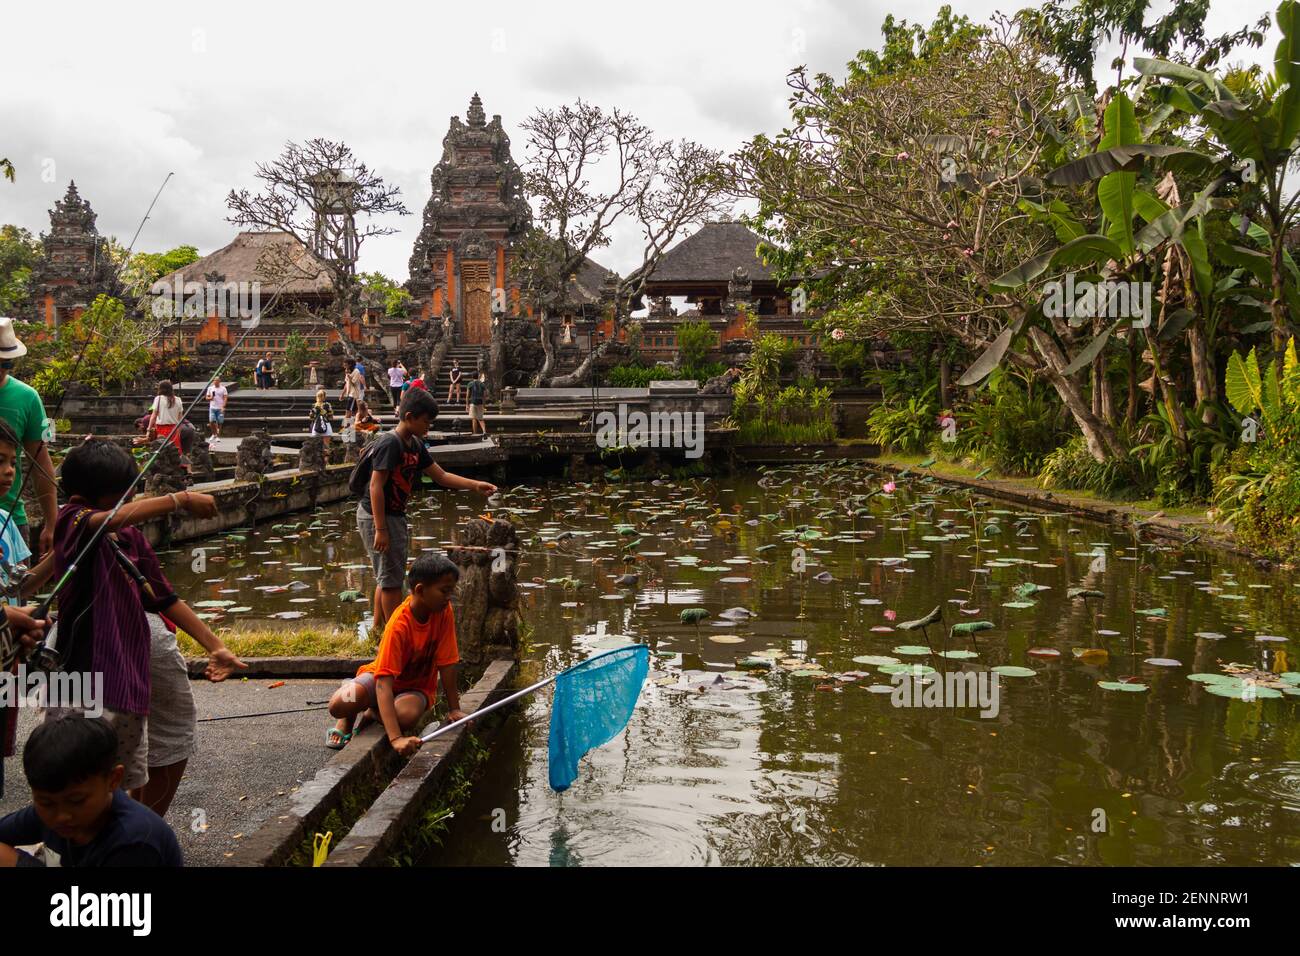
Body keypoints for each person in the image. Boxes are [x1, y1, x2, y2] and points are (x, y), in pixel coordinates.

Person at [48, 439, 245, 792]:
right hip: (82, 673)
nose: (128, 499)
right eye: (122, 492)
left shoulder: (130, 538)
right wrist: (179, 499)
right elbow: (107, 519)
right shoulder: (72, 520)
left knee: (125, 774)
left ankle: (132, 839)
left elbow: (165, 598)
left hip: (127, 674)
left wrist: (215, 646)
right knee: (79, 774)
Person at [354, 388, 496, 635]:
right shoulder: (391, 443)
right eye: (426, 422)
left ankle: (378, 630)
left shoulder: (415, 445)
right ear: (409, 417)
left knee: (388, 573)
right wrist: (380, 529)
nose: (428, 428)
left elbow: (440, 475)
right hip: (377, 515)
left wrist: (475, 485)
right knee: (391, 582)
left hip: (393, 514)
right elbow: (376, 486)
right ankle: (396, 636)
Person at [326, 553, 466, 752]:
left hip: (416, 688)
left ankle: (373, 713)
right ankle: (349, 714)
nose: (448, 597)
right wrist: (396, 739)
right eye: (444, 591)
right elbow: (383, 683)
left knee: (405, 717)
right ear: (420, 590)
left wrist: (454, 709)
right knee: (338, 704)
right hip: (379, 679)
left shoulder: (444, 611)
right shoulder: (399, 625)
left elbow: (448, 662)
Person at [0, 716, 183, 866]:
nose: (62, 815)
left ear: (113, 779)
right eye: (46, 802)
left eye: (77, 800)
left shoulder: (135, 842)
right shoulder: (52, 810)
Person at [0, 318, 58, 561]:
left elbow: (42, 462)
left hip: (13, 516)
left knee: (18, 596)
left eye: (7, 364)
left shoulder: (29, 398)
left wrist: (52, 523)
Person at [146, 380, 185, 452]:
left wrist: (148, 429)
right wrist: (178, 430)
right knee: (174, 450)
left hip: (161, 428)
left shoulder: (158, 398)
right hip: (174, 428)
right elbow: (180, 418)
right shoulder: (178, 399)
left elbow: (154, 416)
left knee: (162, 450)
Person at [205, 376, 228, 442]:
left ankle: (217, 436)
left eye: (217, 380)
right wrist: (210, 398)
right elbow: (207, 397)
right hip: (212, 407)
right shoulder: (210, 388)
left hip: (220, 407)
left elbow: (225, 397)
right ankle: (213, 434)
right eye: (214, 380)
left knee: (220, 422)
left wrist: (223, 406)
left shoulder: (223, 388)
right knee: (211, 421)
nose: (215, 382)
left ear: (219, 381)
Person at [466, 371, 488, 437]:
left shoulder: (470, 384)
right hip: (480, 402)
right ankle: (484, 431)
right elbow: (484, 396)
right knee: (480, 418)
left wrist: (467, 405)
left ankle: (475, 434)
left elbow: (467, 395)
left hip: (473, 402)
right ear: (478, 376)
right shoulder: (482, 384)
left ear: (472, 377)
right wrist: (484, 405)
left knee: (474, 418)